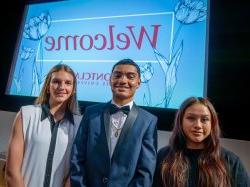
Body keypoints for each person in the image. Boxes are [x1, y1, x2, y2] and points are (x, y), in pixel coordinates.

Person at [70, 59, 158, 187]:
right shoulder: (91, 113)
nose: (123, 80)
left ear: (138, 83)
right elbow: (77, 157)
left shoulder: (148, 121)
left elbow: (145, 171)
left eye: (130, 76)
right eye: (117, 75)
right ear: (110, 80)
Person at [5, 64, 82, 187]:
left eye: (68, 83)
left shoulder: (80, 123)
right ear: (47, 87)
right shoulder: (26, 114)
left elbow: (76, 171)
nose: (62, 87)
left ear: (73, 90)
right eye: (56, 82)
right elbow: (12, 172)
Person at [153, 97, 250, 187]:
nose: (198, 125)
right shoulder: (164, 157)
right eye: (191, 118)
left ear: (212, 123)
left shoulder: (230, 161)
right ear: (180, 121)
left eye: (204, 119)